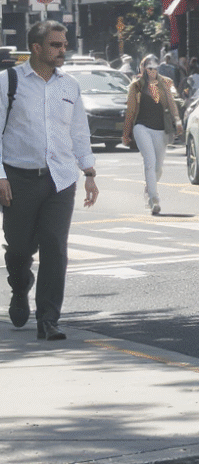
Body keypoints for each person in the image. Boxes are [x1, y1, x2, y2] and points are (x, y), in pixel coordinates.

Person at [2, 21, 99, 341]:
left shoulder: (69, 85)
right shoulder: (8, 82)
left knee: (55, 246)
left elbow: (78, 132)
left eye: (64, 44)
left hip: (60, 178)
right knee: (18, 249)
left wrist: (89, 173)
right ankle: (20, 286)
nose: (63, 50)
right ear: (37, 48)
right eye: (56, 45)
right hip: (18, 177)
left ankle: (48, 318)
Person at [121, 54, 184, 215]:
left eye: (154, 68)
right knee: (149, 162)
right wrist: (126, 133)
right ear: (143, 68)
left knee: (158, 167)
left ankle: (149, 188)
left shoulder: (165, 83)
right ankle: (154, 199)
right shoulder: (136, 86)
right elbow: (130, 111)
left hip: (161, 129)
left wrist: (177, 121)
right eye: (148, 68)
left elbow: (171, 103)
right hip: (142, 127)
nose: (152, 71)